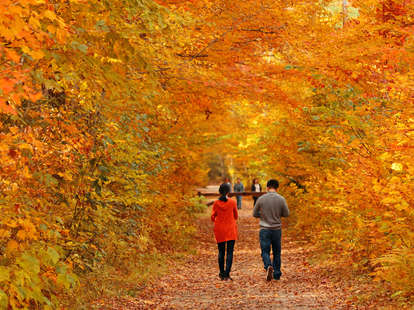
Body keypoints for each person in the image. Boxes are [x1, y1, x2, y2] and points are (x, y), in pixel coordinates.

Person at [253, 179, 289, 281]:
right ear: (277, 188)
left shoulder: (261, 199)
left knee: (265, 251)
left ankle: (268, 265)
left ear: (267, 187)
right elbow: (286, 214)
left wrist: (263, 215)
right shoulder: (281, 199)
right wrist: (277, 215)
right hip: (276, 229)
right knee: (277, 252)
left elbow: (254, 213)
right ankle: (277, 274)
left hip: (264, 229)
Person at [211, 183, 238, 280]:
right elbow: (236, 216)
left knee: (221, 252)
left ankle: (221, 274)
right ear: (228, 192)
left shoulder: (216, 203)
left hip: (219, 229)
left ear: (220, 191)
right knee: (230, 252)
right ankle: (227, 273)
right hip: (230, 229)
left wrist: (217, 221)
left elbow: (212, 216)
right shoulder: (233, 202)